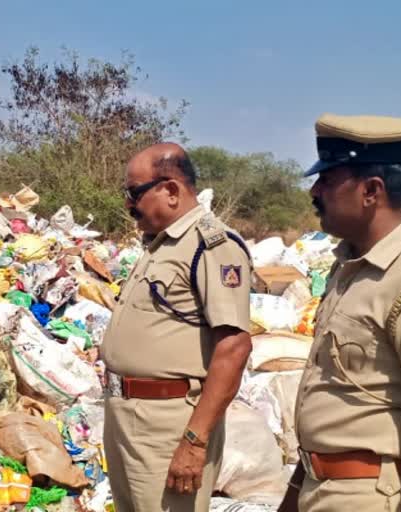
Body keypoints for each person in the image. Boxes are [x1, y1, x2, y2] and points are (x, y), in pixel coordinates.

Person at [278, 114, 401, 512]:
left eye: (328, 179)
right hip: (320, 488)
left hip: (371, 497)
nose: (315, 191)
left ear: (371, 191)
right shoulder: (349, 270)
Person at [101, 143, 253, 512]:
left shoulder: (211, 246)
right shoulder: (161, 245)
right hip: (125, 414)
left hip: (166, 424)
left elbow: (233, 348)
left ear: (170, 190)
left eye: (134, 193)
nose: (128, 204)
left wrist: (194, 441)